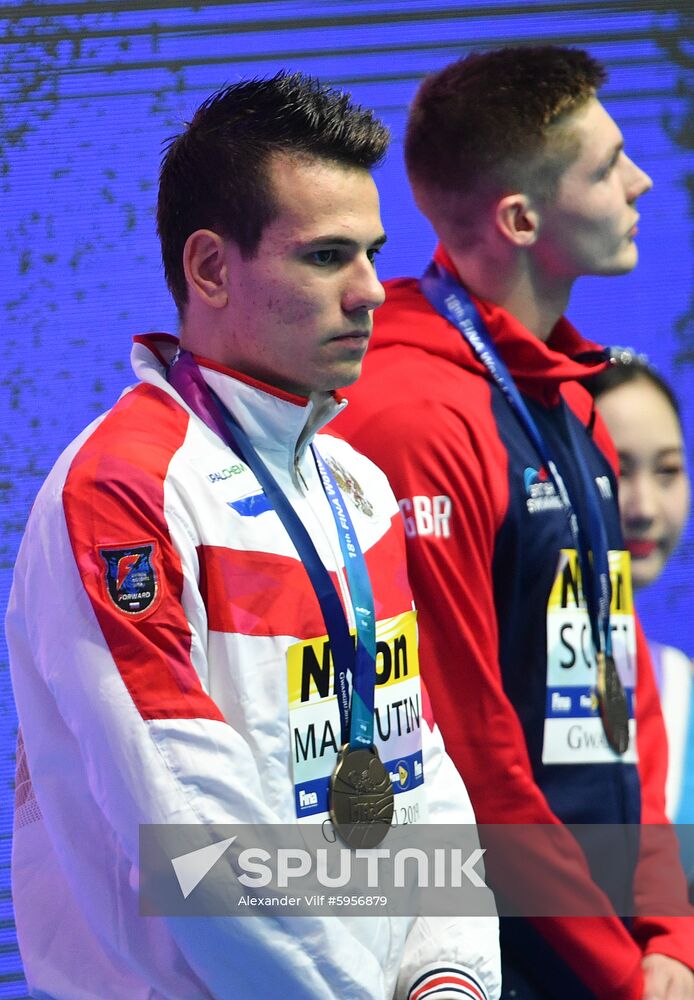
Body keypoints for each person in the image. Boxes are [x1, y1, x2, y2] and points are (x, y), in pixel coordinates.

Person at [6, 72, 501, 1000]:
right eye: (325, 257)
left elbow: (416, 764)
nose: (370, 293)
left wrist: (449, 977)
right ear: (209, 268)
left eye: (372, 253)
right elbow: (194, 834)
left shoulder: (357, 486)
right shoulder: (123, 489)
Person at [334, 46, 694, 1000]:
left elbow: (614, 692)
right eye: (608, 163)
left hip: (613, 957)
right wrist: (625, 971)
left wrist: (670, 935)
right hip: (491, 964)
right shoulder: (415, 416)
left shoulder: (571, 399)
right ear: (522, 218)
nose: (641, 179)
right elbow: (469, 754)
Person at [589, 353, 693, 833]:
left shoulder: (682, 683)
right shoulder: (513, 680)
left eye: (668, 471)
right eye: (617, 470)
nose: (645, 508)